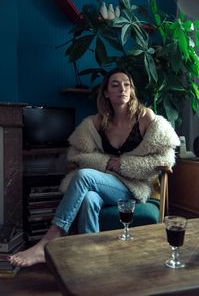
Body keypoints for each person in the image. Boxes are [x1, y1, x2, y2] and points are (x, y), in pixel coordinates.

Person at [9, 68, 180, 267]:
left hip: (134, 187)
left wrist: (125, 164)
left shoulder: (144, 117)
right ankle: (90, 257)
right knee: (89, 198)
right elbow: (76, 154)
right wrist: (105, 162)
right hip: (106, 183)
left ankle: (49, 240)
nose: (122, 89)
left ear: (132, 91)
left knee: (83, 176)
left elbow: (165, 157)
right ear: (106, 92)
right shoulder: (98, 122)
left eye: (127, 84)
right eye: (115, 85)